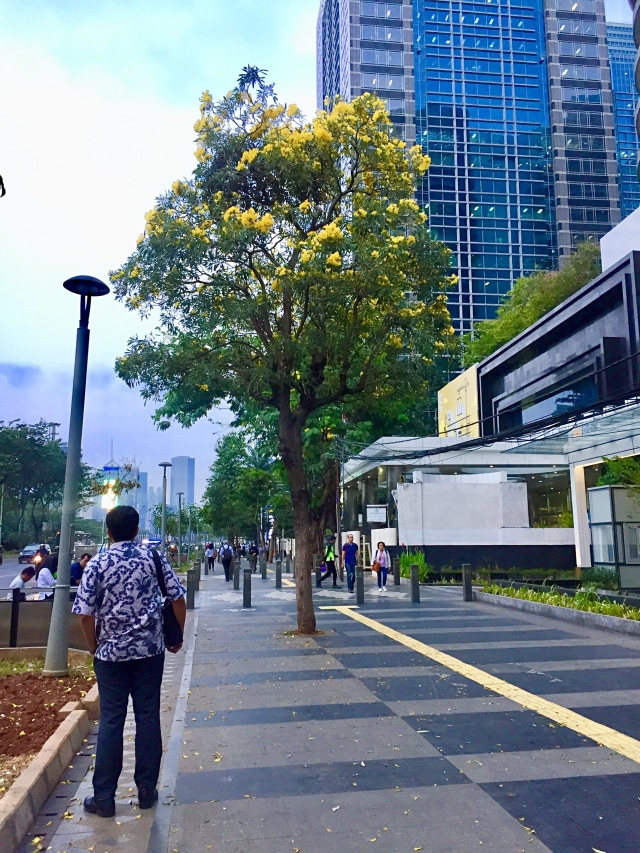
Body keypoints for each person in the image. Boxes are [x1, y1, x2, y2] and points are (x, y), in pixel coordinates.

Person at [73, 505, 186, 819]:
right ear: (137, 531)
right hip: (150, 653)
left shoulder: (97, 563)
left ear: (108, 531)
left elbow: (84, 614)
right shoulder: (153, 558)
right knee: (148, 716)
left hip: (111, 656)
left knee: (112, 720)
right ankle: (147, 792)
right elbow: (178, 598)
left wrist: (96, 648)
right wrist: (176, 636)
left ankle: (104, 799)